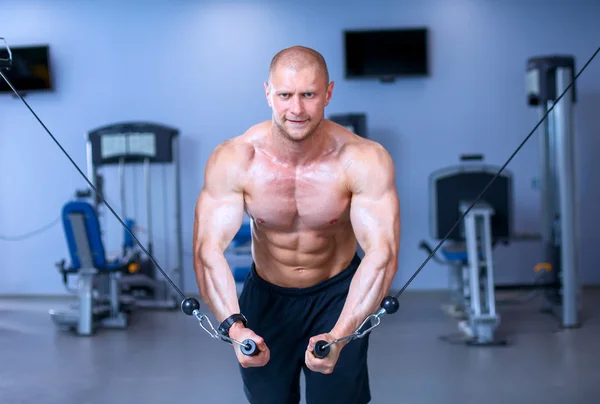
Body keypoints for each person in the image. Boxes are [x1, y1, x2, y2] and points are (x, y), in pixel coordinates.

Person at [192, 45, 401, 404]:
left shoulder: (363, 159)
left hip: (338, 296)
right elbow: (207, 251)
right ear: (268, 93)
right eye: (285, 95)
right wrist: (234, 326)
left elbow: (382, 254)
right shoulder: (236, 159)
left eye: (309, 94)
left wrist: (342, 333)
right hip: (267, 298)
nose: (297, 109)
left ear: (328, 93)